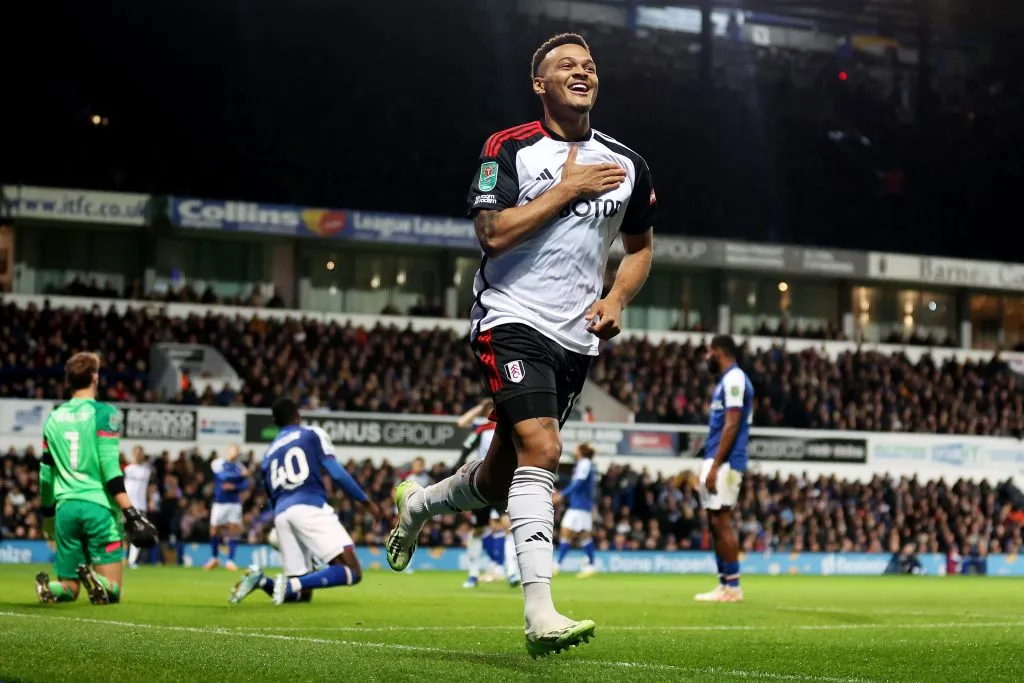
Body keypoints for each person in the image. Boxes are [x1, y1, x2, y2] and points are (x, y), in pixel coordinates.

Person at [384, 32, 656, 657]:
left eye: (588, 65)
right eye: (566, 65)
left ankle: (420, 504)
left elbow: (640, 248)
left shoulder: (628, 163)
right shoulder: (507, 149)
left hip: (575, 338)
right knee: (544, 445)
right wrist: (565, 190)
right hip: (509, 317)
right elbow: (491, 234)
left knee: (502, 473)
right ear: (541, 84)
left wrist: (616, 300)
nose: (582, 71)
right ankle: (540, 614)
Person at [229, 398, 380, 605]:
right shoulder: (311, 434)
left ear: (276, 423)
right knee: (352, 571)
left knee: (302, 594)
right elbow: (336, 473)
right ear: (297, 416)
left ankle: (263, 581)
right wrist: (366, 501)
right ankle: (289, 584)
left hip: (282, 515)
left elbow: (271, 498)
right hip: (309, 507)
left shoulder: (268, 455)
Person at [35, 352, 158, 605]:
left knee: (70, 588)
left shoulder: (54, 417)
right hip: (98, 509)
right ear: (94, 377)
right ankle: (95, 577)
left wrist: (48, 516)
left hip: (65, 509)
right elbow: (109, 468)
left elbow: (46, 476)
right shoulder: (105, 414)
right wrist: (131, 512)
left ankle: (52, 589)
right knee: (111, 592)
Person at [695, 335, 753, 603]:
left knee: (723, 520)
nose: (707, 358)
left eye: (709, 353)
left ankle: (734, 587)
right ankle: (723, 584)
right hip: (717, 459)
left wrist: (716, 465)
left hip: (726, 462)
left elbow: (732, 424)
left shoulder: (735, 379)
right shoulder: (726, 381)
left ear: (719, 352)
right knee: (714, 521)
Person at [455, 399, 520, 588]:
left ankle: (512, 572)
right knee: (479, 529)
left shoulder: (508, 429)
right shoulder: (481, 429)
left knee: (507, 526)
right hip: (482, 482)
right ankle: (473, 575)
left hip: (503, 481)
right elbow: (462, 428)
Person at [553, 443, 598, 578]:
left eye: (577, 449)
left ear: (582, 451)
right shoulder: (584, 464)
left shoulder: (585, 463)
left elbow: (578, 483)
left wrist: (562, 494)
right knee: (583, 536)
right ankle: (590, 565)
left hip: (579, 506)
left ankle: (557, 565)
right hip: (580, 506)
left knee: (567, 532)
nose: (575, 450)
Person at [205, 444, 249, 571]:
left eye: (238, 452)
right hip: (220, 501)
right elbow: (223, 477)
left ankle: (230, 560)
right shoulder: (218, 463)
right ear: (228, 450)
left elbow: (246, 485)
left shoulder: (240, 466)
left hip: (234, 502)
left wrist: (235, 486)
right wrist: (240, 476)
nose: (236, 453)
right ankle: (214, 558)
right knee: (214, 530)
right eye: (235, 450)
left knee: (234, 530)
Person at [123, 446, 153, 569]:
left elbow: (148, 488)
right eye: (136, 453)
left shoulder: (146, 470)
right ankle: (120, 558)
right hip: (126, 504)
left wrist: (150, 500)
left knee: (138, 534)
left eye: (140, 453)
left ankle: (132, 560)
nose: (138, 455)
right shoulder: (127, 469)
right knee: (123, 533)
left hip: (140, 505)